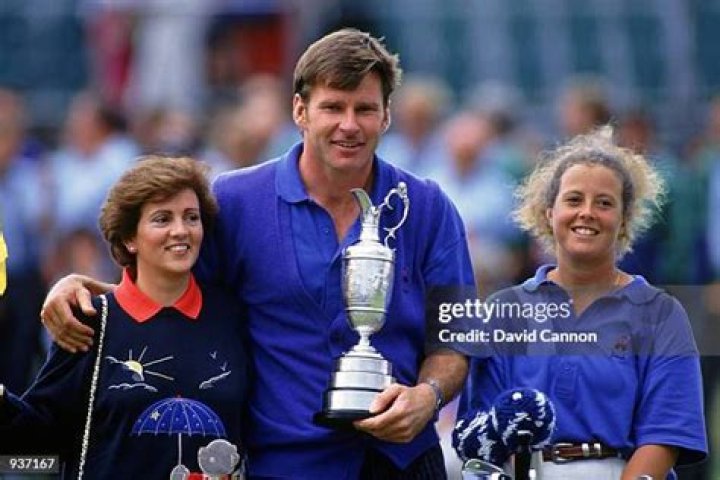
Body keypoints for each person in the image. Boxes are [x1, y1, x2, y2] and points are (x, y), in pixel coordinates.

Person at [41, 29, 474, 479]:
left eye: (364, 109)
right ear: (300, 110)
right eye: (333, 107)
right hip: (283, 466)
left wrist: (427, 396)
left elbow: (456, 339)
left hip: (405, 461)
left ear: (386, 116)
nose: (349, 125)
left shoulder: (428, 206)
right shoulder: (235, 202)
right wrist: (90, 290)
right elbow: (175, 299)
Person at [453, 127, 707, 479]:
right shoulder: (504, 310)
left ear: (624, 219)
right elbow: (478, 435)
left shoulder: (660, 313)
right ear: (548, 212)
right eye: (573, 200)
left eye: (604, 203)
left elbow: (665, 435)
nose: (587, 212)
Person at [1, 156, 248, 478]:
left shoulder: (232, 315)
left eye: (191, 217)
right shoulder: (91, 320)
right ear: (129, 238)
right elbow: (37, 441)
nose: (180, 231)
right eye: (162, 219)